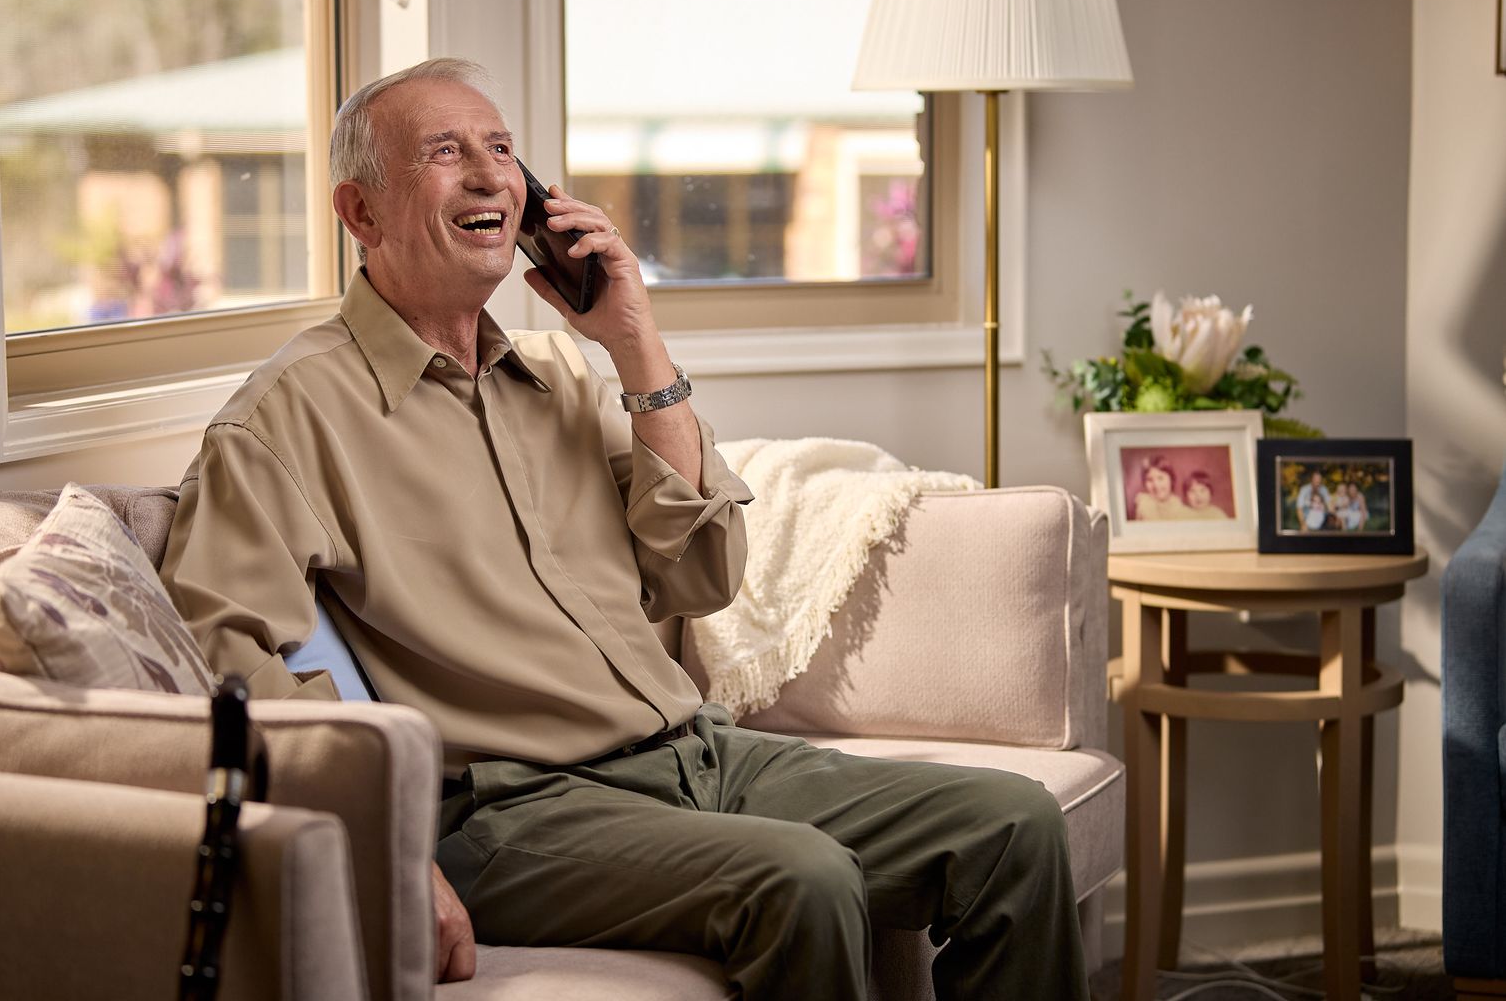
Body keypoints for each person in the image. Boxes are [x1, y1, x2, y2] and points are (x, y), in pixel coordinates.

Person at [159, 58, 1088, 1000]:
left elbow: (699, 573)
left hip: (695, 753)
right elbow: (230, 658)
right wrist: (385, 845)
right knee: (800, 880)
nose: (491, 176)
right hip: (512, 813)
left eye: (503, 151)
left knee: (1012, 825)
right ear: (361, 213)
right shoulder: (287, 417)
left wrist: (635, 342)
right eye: (447, 152)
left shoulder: (563, 377)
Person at [1133, 455, 1191, 521]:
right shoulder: (1144, 505)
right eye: (1149, 480)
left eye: (1160, 478)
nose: (1156, 485)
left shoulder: (1178, 505)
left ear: (1171, 480)